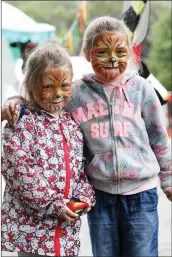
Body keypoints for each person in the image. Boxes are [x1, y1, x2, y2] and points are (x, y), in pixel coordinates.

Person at [2, 16, 172, 257]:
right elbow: (42, 97)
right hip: (101, 196)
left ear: (129, 52)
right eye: (103, 51)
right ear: (88, 53)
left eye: (120, 51)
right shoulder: (76, 92)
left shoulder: (141, 89)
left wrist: (168, 180)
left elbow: (159, 137)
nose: (113, 59)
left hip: (140, 193)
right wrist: (13, 102)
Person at [1, 43, 95, 257]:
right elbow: (18, 171)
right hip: (33, 234)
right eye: (48, 86)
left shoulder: (71, 125)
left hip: (65, 234)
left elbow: (79, 170)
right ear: (31, 84)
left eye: (65, 86)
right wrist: (54, 205)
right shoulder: (23, 121)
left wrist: (85, 198)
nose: (58, 94)